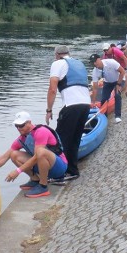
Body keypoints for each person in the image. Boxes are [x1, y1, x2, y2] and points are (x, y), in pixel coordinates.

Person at [0, 111, 68, 198]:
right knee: (13, 154)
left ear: (29, 122)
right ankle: (35, 180)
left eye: (21, 125)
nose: (19, 128)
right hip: (44, 166)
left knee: (41, 152)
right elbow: (4, 157)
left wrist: (17, 171)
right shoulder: (22, 138)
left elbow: (38, 156)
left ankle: (43, 186)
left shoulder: (41, 132)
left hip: (59, 167)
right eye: (16, 126)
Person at [46, 44, 90, 183]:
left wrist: (49, 110)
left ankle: (60, 173)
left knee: (60, 140)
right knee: (75, 139)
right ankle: (72, 171)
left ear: (57, 55)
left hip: (72, 105)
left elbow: (52, 89)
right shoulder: (79, 63)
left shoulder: (58, 63)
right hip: (85, 105)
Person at [90, 54, 125, 123]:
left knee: (117, 96)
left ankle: (118, 116)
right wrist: (93, 102)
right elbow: (95, 88)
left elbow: (122, 71)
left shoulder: (111, 62)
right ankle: (104, 118)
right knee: (103, 99)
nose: (94, 64)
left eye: (95, 61)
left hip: (118, 80)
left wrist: (118, 84)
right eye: (92, 62)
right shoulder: (95, 71)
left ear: (99, 59)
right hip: (108, 82)